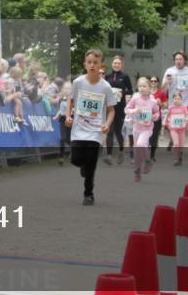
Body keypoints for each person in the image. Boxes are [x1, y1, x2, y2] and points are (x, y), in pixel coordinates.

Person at [65, 49, 116, 206]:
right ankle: (83, 166)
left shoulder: (105, 87)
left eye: (96, 62)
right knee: (76, 159)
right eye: (89, 62)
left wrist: (107, 124)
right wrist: (68, 116)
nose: (92, 65)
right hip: (79, 129)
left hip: (96, 131)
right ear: (85, 64)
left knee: (91, 163)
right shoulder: (78, 83)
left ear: (101, 65)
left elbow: (111, 110)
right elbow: (71, 100)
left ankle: (88, 194)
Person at [125, 77, 161, 181]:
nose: (142, 88)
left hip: (147, 128)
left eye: (144, 86)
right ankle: (137, 172)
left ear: (149, 88)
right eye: (140, 86)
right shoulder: (135, 99)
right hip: (136, 128)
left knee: (141, 144)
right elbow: (126, 109)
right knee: (137, 151)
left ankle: (147, 161)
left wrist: (155, 117)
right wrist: (135, 110)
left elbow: (157, 113)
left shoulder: (153, 101)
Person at [103, 55, 133, 165]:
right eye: (115, 63)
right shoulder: (107, 76)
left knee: (118, 132)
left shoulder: (125, 76)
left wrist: (123, 93)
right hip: (110, 107)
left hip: (120, 108)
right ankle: (109, 155)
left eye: (119, 63)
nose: (116, 65)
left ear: (121, 65)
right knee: (109, 131)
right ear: (112, 64)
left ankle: (121, 151)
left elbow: (130, 90)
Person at [163, 92, 188, 166]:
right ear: (173, 99)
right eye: (175, 99)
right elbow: (167, 115)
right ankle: (176, 158)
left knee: (181, 145)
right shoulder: (171, 107)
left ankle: (180, 157)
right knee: (176, 143)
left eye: (178, 99)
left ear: (181, 100)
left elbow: (187, 116)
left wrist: (187, 121)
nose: (177, 100)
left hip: (182, 128)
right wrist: (165, 122)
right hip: (173, 128)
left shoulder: (184, 107)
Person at [52, 80, 72, 164]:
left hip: (72, 119)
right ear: (63, 89)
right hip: (63, 119)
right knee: (63, 138)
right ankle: (61, 156)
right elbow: (61, 109)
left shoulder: (74, 98)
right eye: (66, 88)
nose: (67, 90)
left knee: (69, 138)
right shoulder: (62, 98)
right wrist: (57, 115)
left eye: (69, 88)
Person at [150, 76, 168, 159]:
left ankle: (152, 156)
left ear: (158, 82)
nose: (153, 82)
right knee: (147, 137)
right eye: (152, 81)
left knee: (154, 137)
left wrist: (160, 104)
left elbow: (165, 105)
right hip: (146, 118)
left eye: (155, 81)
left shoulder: (161, 93)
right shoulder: (147, 91)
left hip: (157, 118)